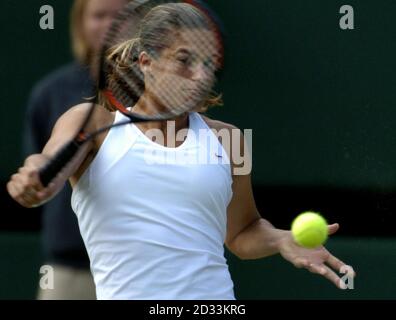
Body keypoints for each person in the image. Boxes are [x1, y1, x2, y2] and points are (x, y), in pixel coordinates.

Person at [10, 2, 355, 299]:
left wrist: (282, 240)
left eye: (208, 64)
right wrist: (34, 177)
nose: (200, 76)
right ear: (146, 62)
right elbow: (49, 168)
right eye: (185, 61)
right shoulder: (93, 124)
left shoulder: (229, 139)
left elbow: (241, 232)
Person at [23, 0, 128, 299]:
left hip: (140, 271)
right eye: (99, 16)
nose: (109, 24)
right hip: (69, 270)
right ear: (80, 23)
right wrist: (36, 173)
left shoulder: (158, 97)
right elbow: (41, 162)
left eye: (120, 15)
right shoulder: (50, 92)